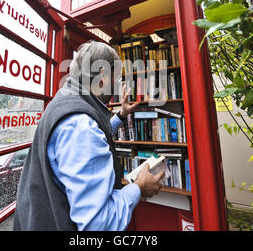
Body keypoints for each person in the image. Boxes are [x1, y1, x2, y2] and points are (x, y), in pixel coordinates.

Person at [13, 41, 164, 231]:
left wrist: (121, 116)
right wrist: (139, 187)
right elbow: (99, 224)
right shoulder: (80, 126)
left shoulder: (68, 102)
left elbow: (98, 132)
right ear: (102, 76)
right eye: (116, 79)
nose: (117, 87)